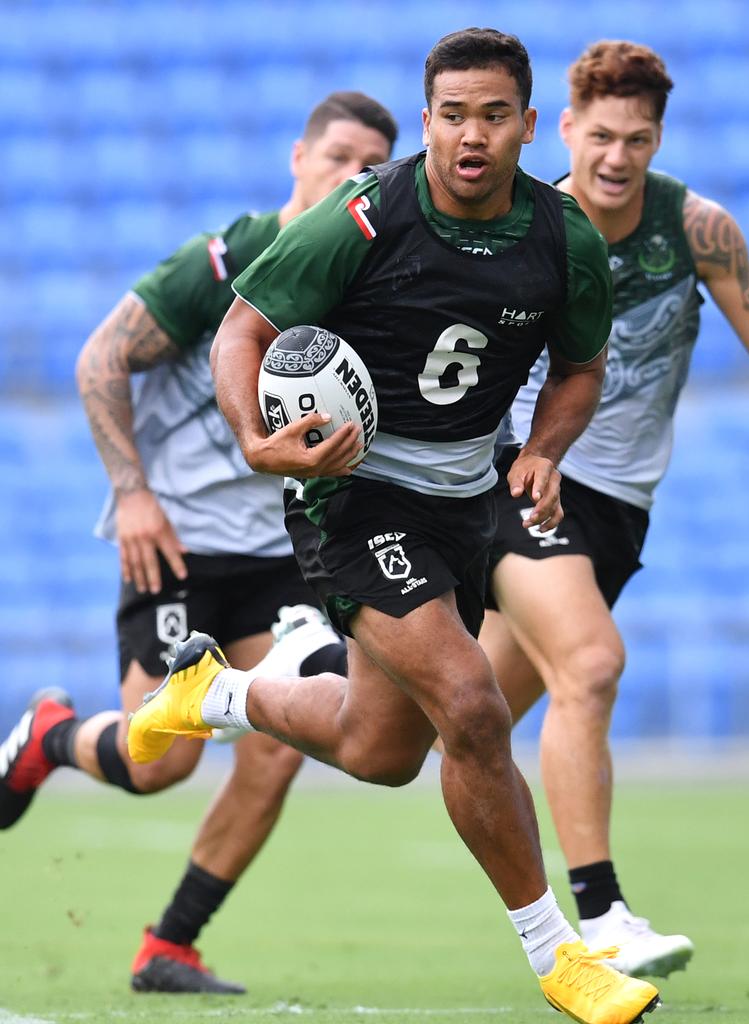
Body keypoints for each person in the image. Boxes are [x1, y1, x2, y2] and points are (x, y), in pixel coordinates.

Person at [128, 28, 663, 1024]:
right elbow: (244, 327)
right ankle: (563, 956)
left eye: (494, 115)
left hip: (468, 503)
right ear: (426, 124)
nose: (472, 134)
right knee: (471, 703)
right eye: (453, 114)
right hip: (353, 493)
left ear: (527, 126)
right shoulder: (364, 218)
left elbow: (583, 363)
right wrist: (257, 439)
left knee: (381, 750)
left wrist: (545, 447)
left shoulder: (562, 236)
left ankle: (216, 693)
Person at [0, 92, 396, 994]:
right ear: (298, 157)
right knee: (159, 762)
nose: (351, 175)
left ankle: (170, 944)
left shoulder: (366, 276)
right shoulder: (226, 259)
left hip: (281, 553)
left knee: (289, 734)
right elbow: (100, 357)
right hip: (176, 543)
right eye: (337, 155)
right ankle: (50, 736)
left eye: (370, 164)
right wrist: (132, 494)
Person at [480, 39, 749, 978]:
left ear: (657, 138)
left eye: (636, 139)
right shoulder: (523, 227)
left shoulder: (696, 228)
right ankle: (601, 916)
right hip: (520, 482)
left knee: (420, 729)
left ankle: (244, 690)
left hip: (619, 513)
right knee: (594, 663)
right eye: (600, 135)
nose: (616, 157)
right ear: (563, 129)